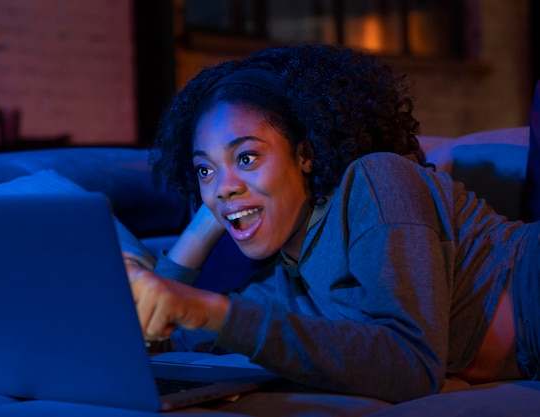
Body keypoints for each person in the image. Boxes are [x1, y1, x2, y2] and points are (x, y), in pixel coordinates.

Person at [124, 43, 540, 403]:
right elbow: (155, 344)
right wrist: (200, 230)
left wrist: (214, 309)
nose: (222, 188)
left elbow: (412, 363)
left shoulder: (378, 182)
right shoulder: (286, 288)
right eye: (205, 170)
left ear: (305, 155)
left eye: (247, 158)